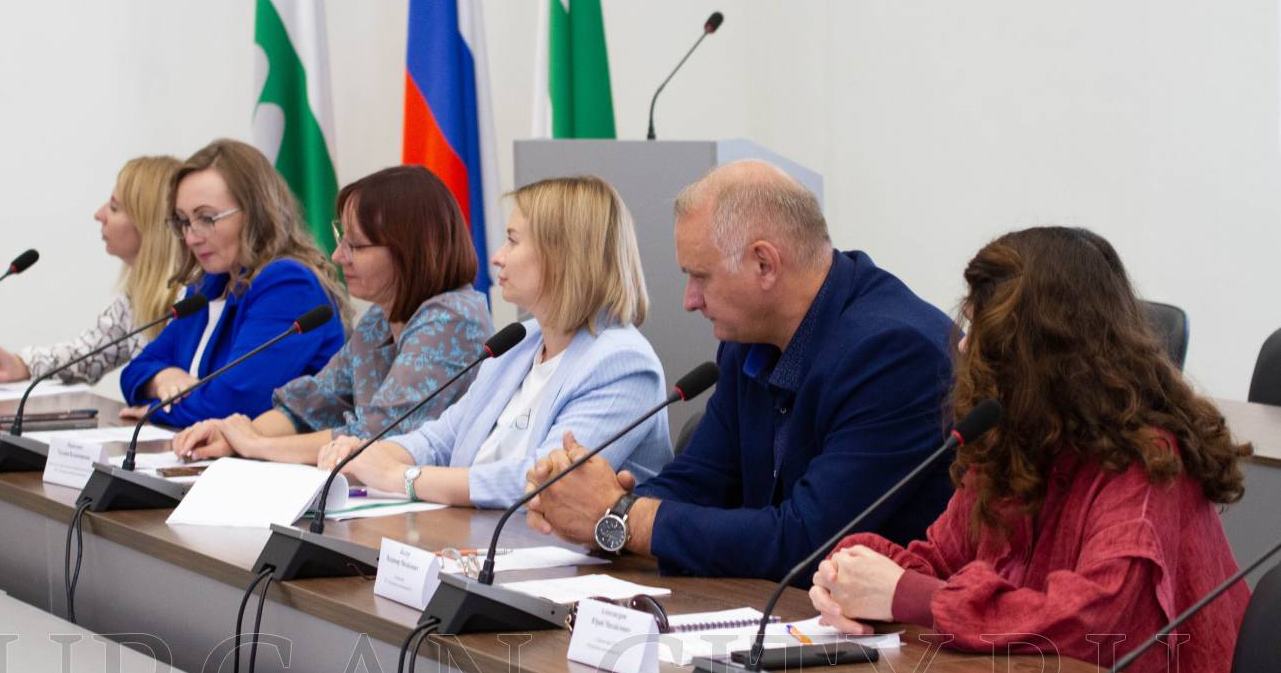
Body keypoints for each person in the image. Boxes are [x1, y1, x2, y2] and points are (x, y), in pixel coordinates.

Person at [811, 227, 1251, 673]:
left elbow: (1091, 623)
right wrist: (853, 571)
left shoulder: (1148, 462)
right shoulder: (1019, 437)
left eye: (981, 329)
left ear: (1039, 351)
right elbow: (941, 561)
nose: (965, 346)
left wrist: (909, 596)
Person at [525, 160, 956, 578]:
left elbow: (810, 540)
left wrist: (619, 516)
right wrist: (586, 504)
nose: (689, 300)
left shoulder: (895, 353)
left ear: (764, 264)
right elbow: (698, 482)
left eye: (700, 276)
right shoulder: (748, 341)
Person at [320, 176, 672, 508]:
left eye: (513, 241)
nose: (497, 257)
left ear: (563, 256)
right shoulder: (519, 342)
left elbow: (546, 481)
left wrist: (402, 478)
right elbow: (439, 439)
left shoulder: (622, 363)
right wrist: (363, 457)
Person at [171, 165, 493, 464]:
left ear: (408, 251)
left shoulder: (454, 319)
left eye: (356, 246)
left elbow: (377, 436)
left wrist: (256, 445)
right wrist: (233, 435)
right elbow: (311, 404)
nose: (338, 256)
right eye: (342, 240)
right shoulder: (378, 320)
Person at [119, 139, 346, 427]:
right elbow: (134, 372)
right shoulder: (208, 286)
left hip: (280, 454)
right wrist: (162, 378)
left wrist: (155, 408)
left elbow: (232, 404)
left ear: (255, 212)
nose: (191, 237)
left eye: (206, 218)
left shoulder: (289, 285)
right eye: (183, 221)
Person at [0, 155, 183, 384]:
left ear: (148, 224)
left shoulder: (190, 298)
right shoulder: (134, 299)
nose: (99, 215)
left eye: (114, 208)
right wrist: (20, 364)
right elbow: (86, 356)